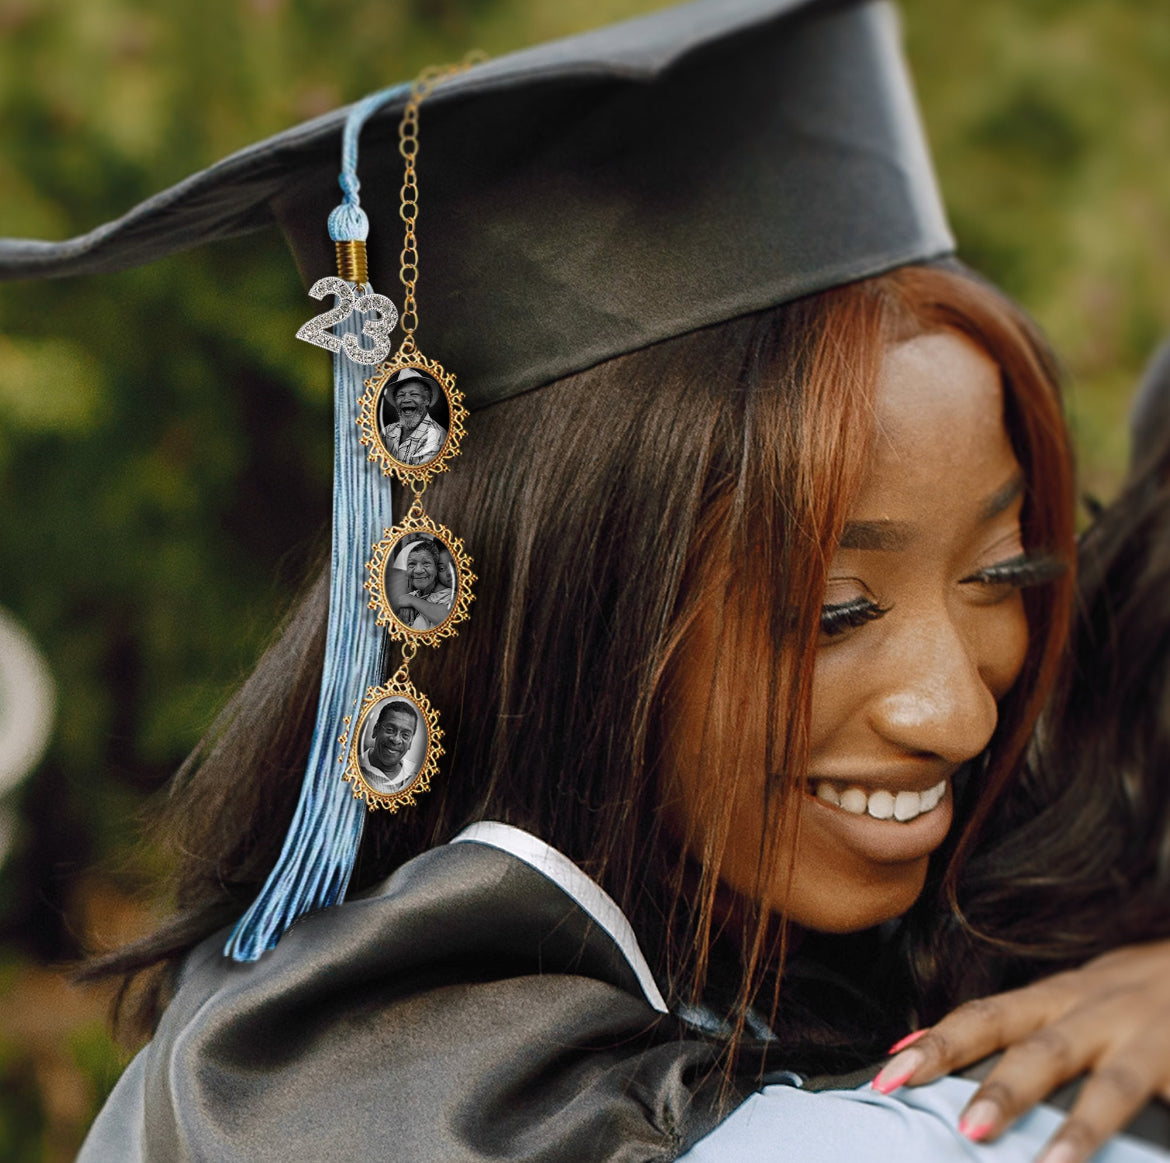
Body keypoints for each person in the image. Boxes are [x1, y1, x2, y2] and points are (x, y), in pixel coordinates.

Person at [3, 1, 1169, 1160]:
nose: (957, 708)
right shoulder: (403, 1109)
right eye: (836, 610)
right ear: (549, 610)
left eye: (1004, 569)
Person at [381, 368, 448, 466]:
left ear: (427, 400)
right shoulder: (387, 431)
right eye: (401, 395)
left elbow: (414, 475)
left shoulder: (437, 437)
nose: (406, 399)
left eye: (414, 394)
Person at [359, 698, 422, 794]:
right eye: (390, 730)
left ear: (410, 742)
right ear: (375, 730)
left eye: (405, 735)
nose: (396, 740)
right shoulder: (355, 769)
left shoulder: (418, 776)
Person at [390, 538, 455, 630]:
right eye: (412, 564)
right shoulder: (410, 596)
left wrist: (412, 601)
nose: (418, 571)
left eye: (426, 563)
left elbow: (447, 618)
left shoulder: (449, 596)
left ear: (436, 568)